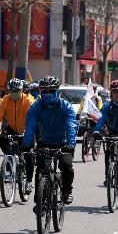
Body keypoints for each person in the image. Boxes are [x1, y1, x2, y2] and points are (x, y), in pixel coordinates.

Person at [22, 76, 77, 205]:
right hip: (44, 142)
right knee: (40, 170)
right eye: (44, 91)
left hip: (63, 143)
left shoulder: (66, 106)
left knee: (67, 167)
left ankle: (67, 192)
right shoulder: (35, 107)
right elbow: (30, 127)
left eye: (51, 91)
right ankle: (39, 201)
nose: (47, 94)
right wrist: (26, 144)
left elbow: (71, 126)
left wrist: (70, 144)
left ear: (57, 91)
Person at [0, 78, 35, 194]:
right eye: (12, 92)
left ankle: (29, 181)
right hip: (12, 128)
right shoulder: (6, 99)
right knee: (3, 141)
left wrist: (30, 132)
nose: (14, 94)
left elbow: (32, 117)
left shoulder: (29, 100)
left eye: (16, 91)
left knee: (28, 155)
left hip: (27, 129)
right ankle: (10, 160)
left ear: (21, 91)